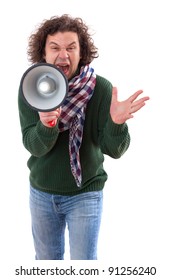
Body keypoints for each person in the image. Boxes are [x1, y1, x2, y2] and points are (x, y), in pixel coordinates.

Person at [18, 14, 149, 260]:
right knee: (46, 265)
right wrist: (46, 125)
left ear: (82, 52)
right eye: (55, 48)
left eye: (71, 47)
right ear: (43, 53)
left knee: (84, 266)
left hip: (85, 194)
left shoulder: (100, 89)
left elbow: (115, 150)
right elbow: (33, 145)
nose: (63, 55)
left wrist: (117, 123)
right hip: (42, 193)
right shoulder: (31, 86)